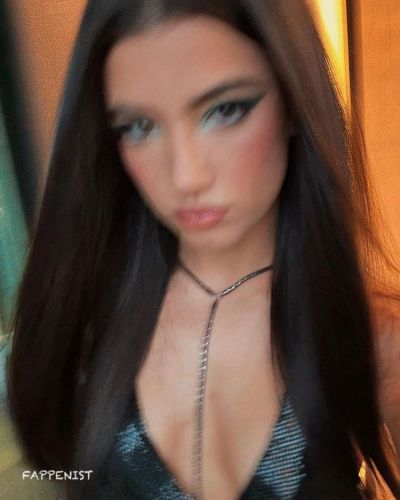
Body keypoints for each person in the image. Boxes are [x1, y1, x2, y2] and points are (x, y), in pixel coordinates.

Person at [7, 0, 400, 498]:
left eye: (225, 110)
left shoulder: (374, 341)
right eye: (138, 127)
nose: (185, 176)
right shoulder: (86, 325)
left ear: (294, 100)